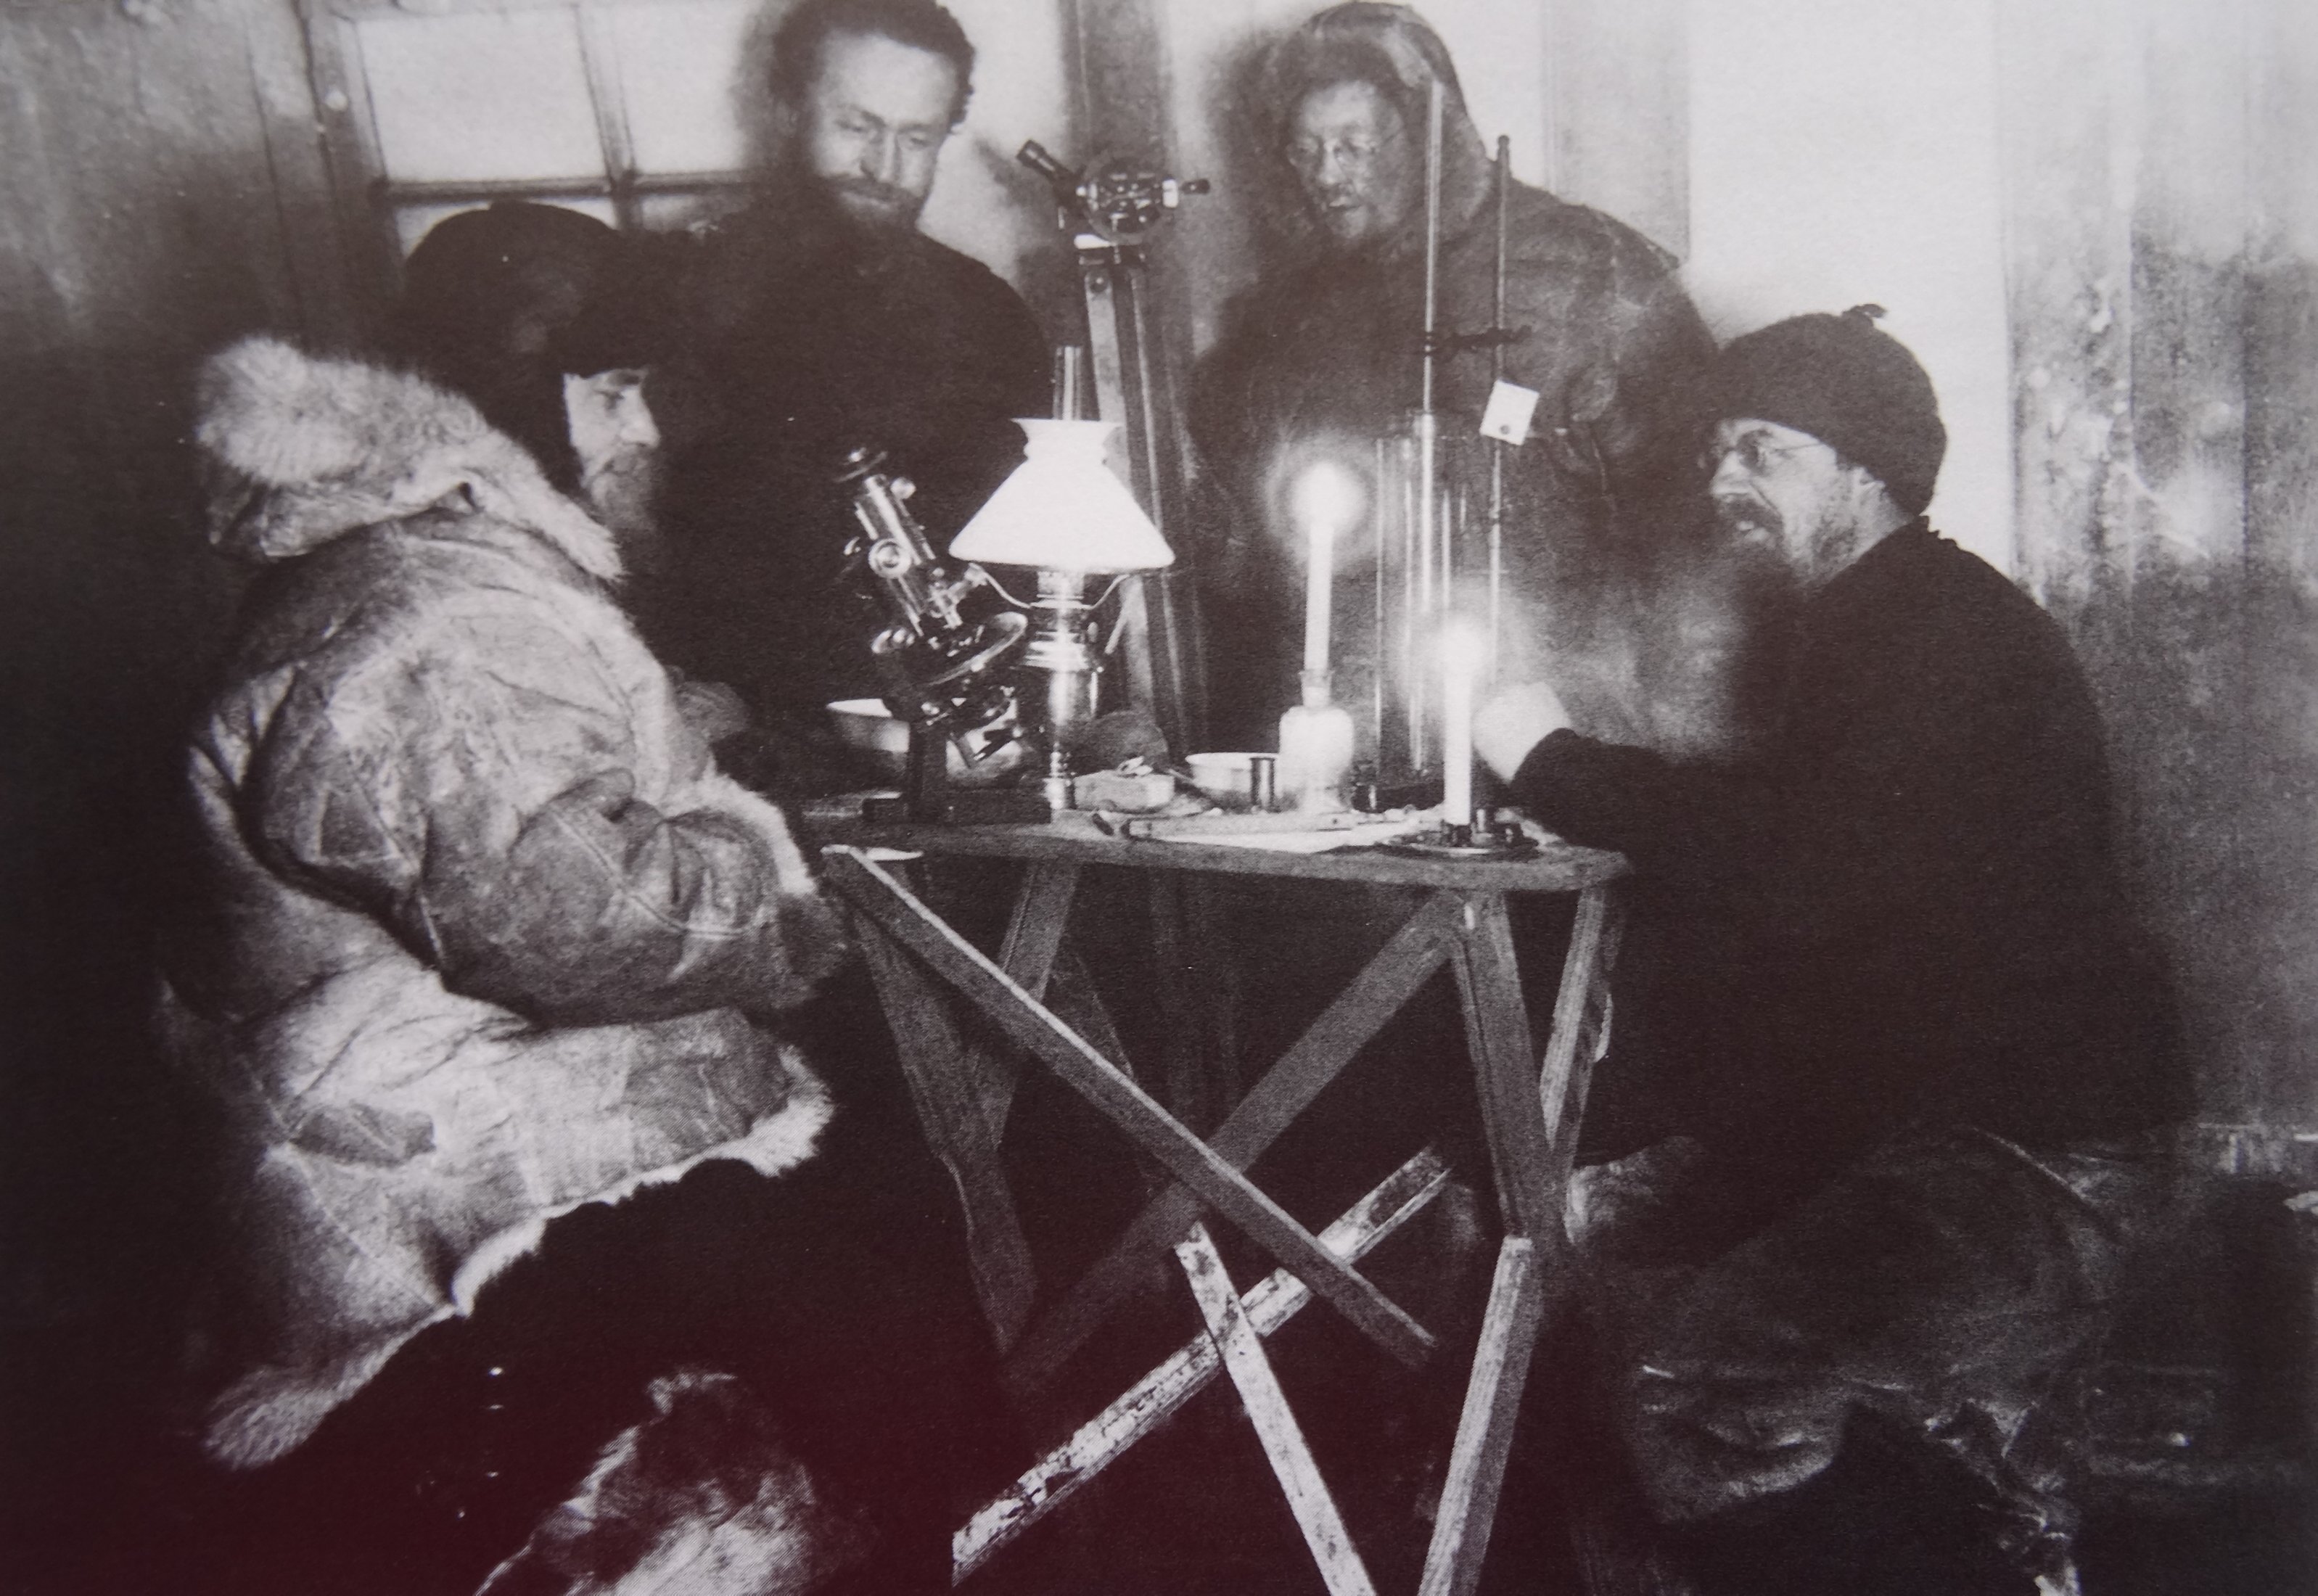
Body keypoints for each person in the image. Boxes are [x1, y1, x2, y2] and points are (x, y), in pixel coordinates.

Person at [145, 204, 1002, 1596]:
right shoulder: (435, 613)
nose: (644, 430)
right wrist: (800, 867)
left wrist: (716, 756)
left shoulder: (438, 569)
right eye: (612, 390)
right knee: (893, 1295)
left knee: (899, 1220)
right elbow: (577, 921)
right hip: (451, 1189)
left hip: (476, 1115)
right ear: (508, 389)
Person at [1474, 307, 2191, 1594]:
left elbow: (1788, 865)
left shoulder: (1934, 632)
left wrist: (1549, 759)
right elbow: (1818, 877)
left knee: (1693, 1376)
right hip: (1952, 1117)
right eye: (1717, 450)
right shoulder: (1886, 617)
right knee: (1596, 1259)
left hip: (2038, 1154)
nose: (1723, 481)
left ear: (1865, 472)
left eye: (1764, 450)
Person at [1189, 1, 1718, 752]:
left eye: (1354, 146)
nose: (1327, 176)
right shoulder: (1285, 318)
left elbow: (1697, 511)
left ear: (1428, 137)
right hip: (1362, 719)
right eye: (1305, 151)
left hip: (1565, 711)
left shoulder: (1586, 269)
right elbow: (1248, 548)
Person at [641, 0, 1051, 776]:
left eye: (917, 138)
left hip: (943, 744)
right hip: (730, 734)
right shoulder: (675, 291)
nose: (884, 167)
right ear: (788, 110)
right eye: (857, 127)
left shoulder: (989, 314)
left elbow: (1028, 563)